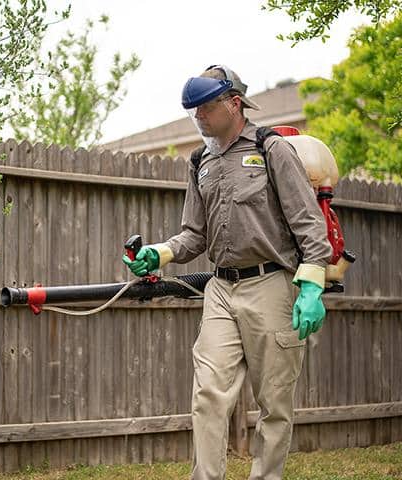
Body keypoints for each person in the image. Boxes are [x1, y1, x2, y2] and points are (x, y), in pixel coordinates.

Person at [122, 65, 332, 480]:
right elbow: (193, 235)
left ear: (233, 103)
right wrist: (159, 253)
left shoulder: (272, 150)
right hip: (221, 287)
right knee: (208, 395)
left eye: (204, 108)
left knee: (274, 404)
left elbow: (309, 223)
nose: (198, 118)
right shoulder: (200, 160)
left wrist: (311, 285)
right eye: (192, 112)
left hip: (272, 284)